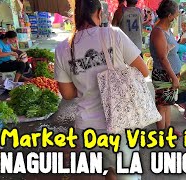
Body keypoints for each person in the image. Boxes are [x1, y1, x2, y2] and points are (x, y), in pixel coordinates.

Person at [54, 0, 149, 179]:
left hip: (87, 126)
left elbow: (66, 94)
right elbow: (143, 71)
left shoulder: (63, 47)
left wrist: (85, 85)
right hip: (121, 123)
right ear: (99, 13)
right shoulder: (114, 35)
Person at [150, 0, 182, 136]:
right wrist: (174, 77)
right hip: (164, 74)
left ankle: (168, 129)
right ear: (169, 16)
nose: (176, 17)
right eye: (175, 15)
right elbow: (163, 58)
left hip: (170, 73)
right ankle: (161, 135)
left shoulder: (166, 30)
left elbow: (165, 51)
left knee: (168, 104)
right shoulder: (158, 32)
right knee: (162, 106)